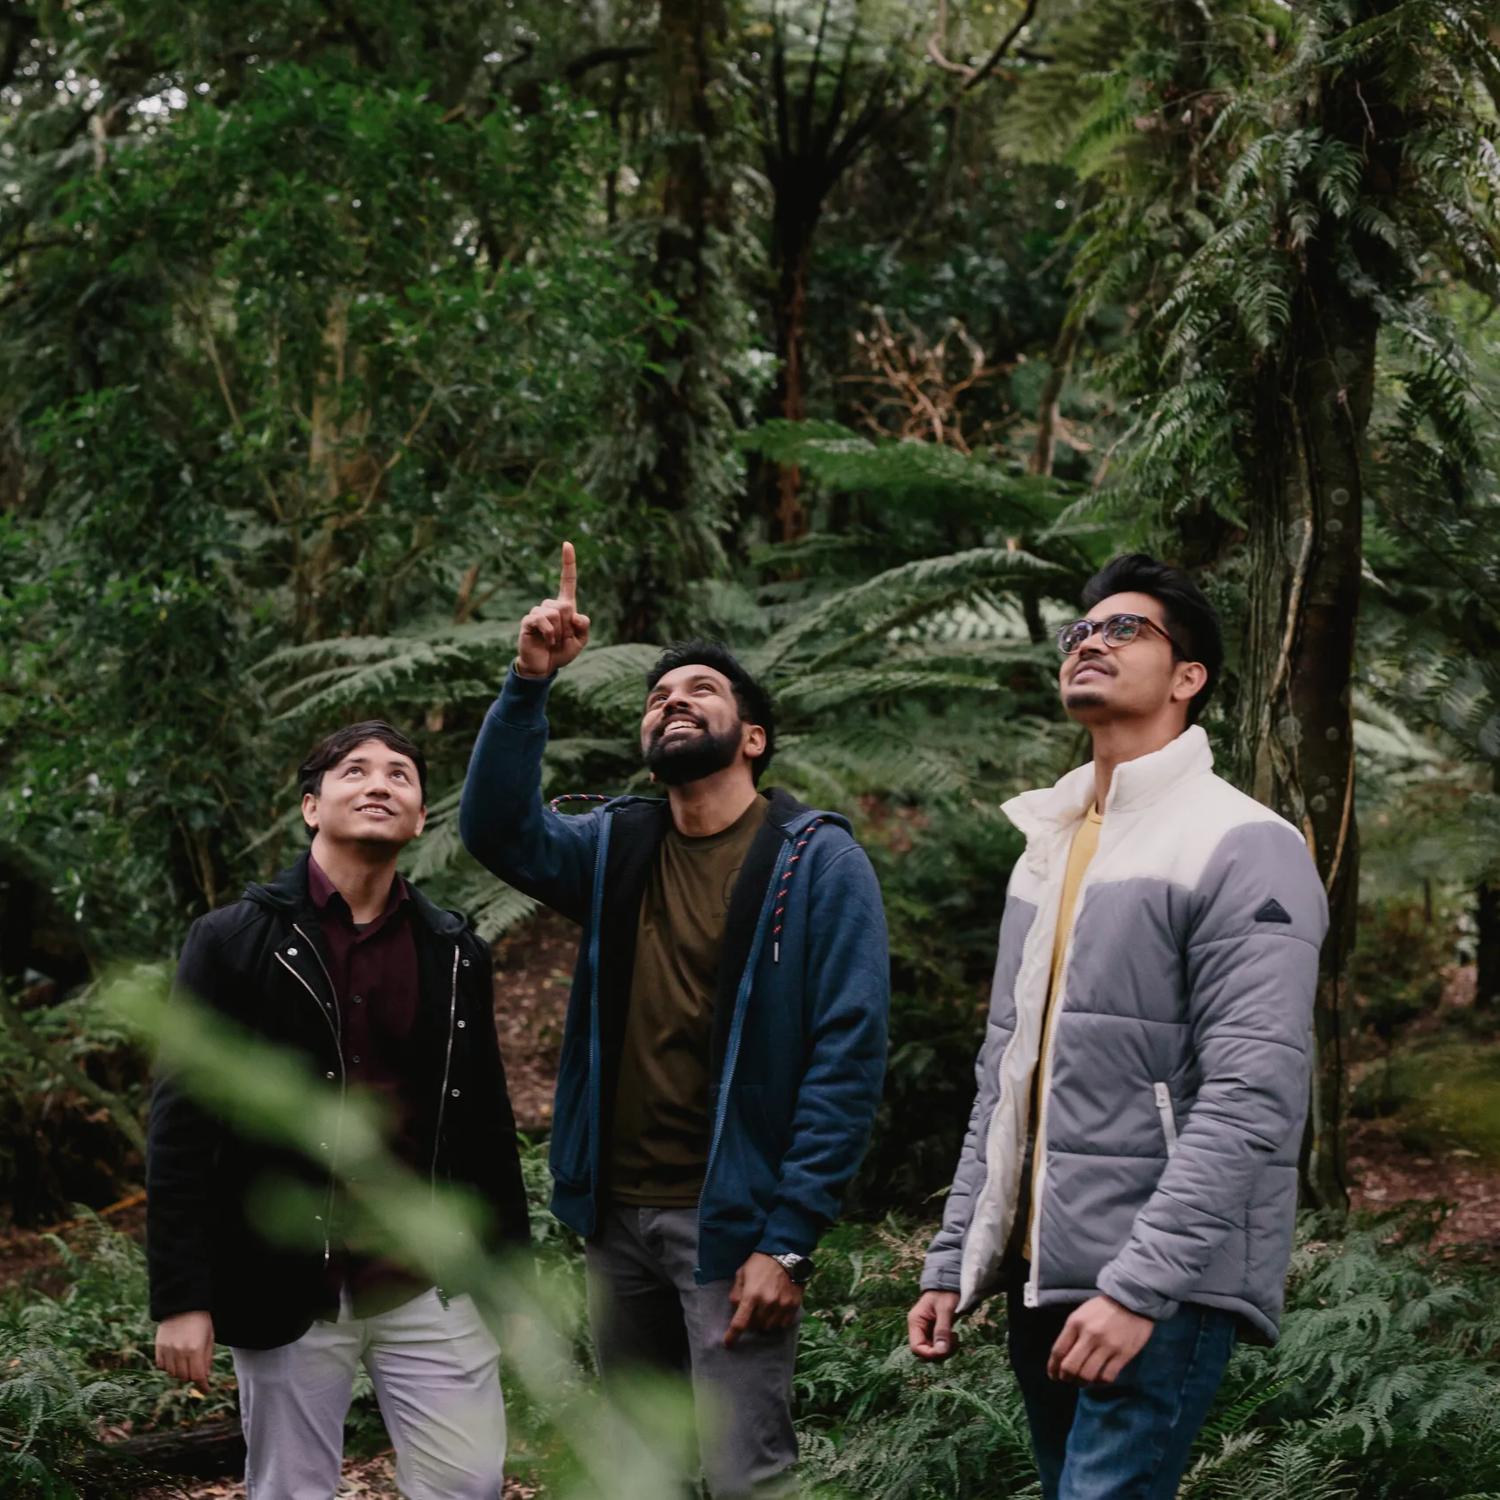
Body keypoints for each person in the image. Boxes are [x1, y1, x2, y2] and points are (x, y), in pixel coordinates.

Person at [459, 542, 889, 1499]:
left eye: (700, 689)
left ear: (753, 737)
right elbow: (495, 830)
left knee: (747, 1477)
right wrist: (528, 682)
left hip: (729, 1222)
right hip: (616, 1218)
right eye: (657, 697)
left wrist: (788, 1238)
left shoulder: (815, 863)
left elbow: (847, 1053)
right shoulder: (618, 845)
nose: (672, 701)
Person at [908, 554, 1328, 1500]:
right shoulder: (1048, 845)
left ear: (1189, 678)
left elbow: (1254, 1092)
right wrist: (953, 1258)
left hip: (1154, 1284)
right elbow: (1005, 1080)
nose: (1091, 640)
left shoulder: (1241, 842)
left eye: (1125, 629)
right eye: (1080, 630)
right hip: (1041, 1274)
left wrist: (1141, 1287)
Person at [147, 721, 529, 1500]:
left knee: (469, 1482)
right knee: (290, 1490)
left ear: (421, 817)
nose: (381, 783)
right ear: (311, 808)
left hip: (429, 1275)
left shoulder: (454, 949)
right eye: (355, 771)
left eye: (401, 774)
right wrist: (182, 1297)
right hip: (286, 1277)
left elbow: (484, 1127)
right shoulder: (232, 941)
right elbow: (182, 1126)